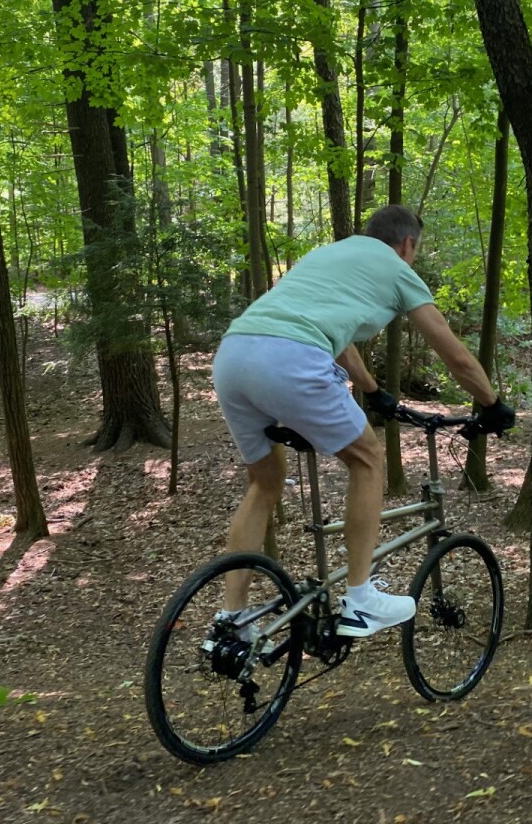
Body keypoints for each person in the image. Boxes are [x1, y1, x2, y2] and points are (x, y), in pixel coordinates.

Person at [212, 205, 515, 637]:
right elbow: (455, 356)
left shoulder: (327, 256)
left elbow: (336, 335)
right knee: (369, 460)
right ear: (407, 244)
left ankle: (232, 616)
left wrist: (372, 392)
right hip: (291, 358)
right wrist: (491, 403)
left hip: (233, 356)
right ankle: (360, 601)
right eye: (415, 250)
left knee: (264, 482)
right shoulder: (395, 267)